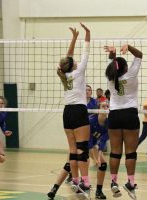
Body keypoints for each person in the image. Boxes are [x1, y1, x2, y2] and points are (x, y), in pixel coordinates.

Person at [57, 22, 91, 199]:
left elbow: (68, 59)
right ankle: (86, 183)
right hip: (79, 111)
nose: (77, 61)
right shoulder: (79, 71)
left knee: (72, 149)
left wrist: (74, 38)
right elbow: (86, 51)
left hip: (67, 113)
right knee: (82, 148)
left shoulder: (64, 74)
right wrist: (87, 34)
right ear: (73, 66)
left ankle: (76, 181)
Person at [104, 44, 142, 200]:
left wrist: (112, 55)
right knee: (131, 153)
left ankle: (113, 182)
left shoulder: (110, 78)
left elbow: (113, 65)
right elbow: (139, 55)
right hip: (129, 115)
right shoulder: (131, 75)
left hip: (114, 116)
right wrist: (129, 46)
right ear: (126, 68)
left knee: (115, 152)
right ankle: (130, 183)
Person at [0, 96, 12, 163]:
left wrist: (5, 130)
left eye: (2, 103)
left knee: (2, 159)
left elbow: (2, 123)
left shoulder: (3, 113)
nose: (0, 105)